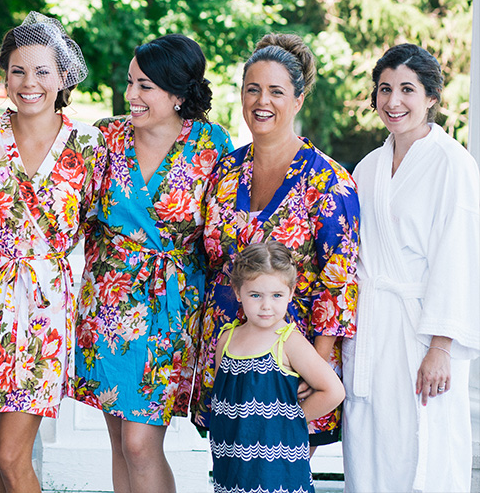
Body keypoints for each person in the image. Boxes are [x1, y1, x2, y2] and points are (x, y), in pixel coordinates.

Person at [72, 34, 233, 492]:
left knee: (142, 443)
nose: (130, 96)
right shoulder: (105, 137)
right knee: (121, 441)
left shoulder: (211, 144)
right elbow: (77, 210)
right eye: (129, 83)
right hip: (107, 302)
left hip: (172, 307)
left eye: (144, 86)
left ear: (178, 92)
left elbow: (220, 233)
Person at [192, 33, 360, 452]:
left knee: (279, 472)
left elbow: (337, 287)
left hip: (291, 360)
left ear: (298, 100)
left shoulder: (330, 182)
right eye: (253, 89)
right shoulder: (225, 169)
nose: (261, 101)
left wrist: (314, 369)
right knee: (233, 472)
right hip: (229, 352)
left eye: (276, 91)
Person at [0, 11, 105, 493]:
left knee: (11, 455)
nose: (29, 83)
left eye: (42, 71)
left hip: (46, 307)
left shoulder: (90, 144)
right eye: (18, 71)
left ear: (63, 76)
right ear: (3, 75)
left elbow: (102, 224)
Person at [342, 44, 480, 492]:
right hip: (369, 331)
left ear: (432, 97)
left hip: (420, 333)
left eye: (407, 89)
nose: (393, 102)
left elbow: (457, 257)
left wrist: (441, 346)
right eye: (384, 89)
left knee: (426, 445)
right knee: (368, 446)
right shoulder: (368, 167)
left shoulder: (452, 164)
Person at [211, 241, 345, 493]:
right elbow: (224, 397)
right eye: (255, 295)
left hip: (276, 463)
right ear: (238, 292)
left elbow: (333, 391)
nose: (266, 306)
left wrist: (288, 420)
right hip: (231, 459)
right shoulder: (226, 340)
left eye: (276, 295)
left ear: (291, 292)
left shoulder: (289, 340)